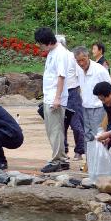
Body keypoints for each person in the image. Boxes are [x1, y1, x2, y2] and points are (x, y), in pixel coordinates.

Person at [36, 27, 70, 173]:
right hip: (49, 96)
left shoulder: (60, 54)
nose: (39, 46)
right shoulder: (52, 52)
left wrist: (57, 98)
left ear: (48, 42)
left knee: (55, 130)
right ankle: (61, 159)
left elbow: (61, 77)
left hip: (55, 99)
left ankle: (57, 160)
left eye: (40, 44)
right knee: (53, 130)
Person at [73, 46, 111, 142]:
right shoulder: (78, 69)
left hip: (99, 108)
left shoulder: (100, 70)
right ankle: (89, 157)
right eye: (78, 61)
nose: (81, 63)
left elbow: (110, 89)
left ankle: (100, 157)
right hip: (85, 107)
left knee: (99, 136)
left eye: (83, 60)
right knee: (86, 136)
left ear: (88, 56)